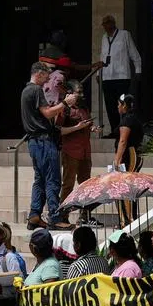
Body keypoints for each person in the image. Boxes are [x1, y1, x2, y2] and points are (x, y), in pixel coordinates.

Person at [21, 61, 71, 230]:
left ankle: (34, 215)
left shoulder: (26, 90)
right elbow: (47, 113)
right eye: (46, 76)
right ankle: (55, 217)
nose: (48, 80)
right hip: (43, 141)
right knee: (52, 180)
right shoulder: (36, 90)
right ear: (39, 74)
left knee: (40, 180)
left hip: (34, 142)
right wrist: (65, 103)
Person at [98, 14, 142, 138]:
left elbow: (134, 54)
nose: (106, 26)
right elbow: (102, 55)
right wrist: (98, 72)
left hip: (122, 76)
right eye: (104, 24)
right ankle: (114, 130)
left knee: (123, 105)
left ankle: (124, 130)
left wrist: (138, 70)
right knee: (110, 106)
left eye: (108, 23)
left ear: (113, 23)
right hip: (107, 76)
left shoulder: (124, 35)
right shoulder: (104, 37)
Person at [59, 78, 96, 220]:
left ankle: (85, 215)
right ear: (70, 93)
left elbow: (87, 124)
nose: (82, 95)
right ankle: (63, 216)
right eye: (78, 92)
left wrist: (92, 128)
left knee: (86, 184)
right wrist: (77, 127)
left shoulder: (84, 107)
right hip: (71, 151)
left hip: (85, 151)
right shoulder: (65, 109)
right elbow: (59, 130)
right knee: (68, 184)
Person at [113, 92, 145, 225]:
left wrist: (117, 160)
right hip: (134, 155)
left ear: (124, 105)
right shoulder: (134, 118)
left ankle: (127, 220)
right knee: (127, 186)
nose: (118, 107)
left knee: (125, 186)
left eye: (119, 104)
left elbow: (123, 141)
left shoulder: (127, 120)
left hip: (129, 156)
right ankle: (128, 219)